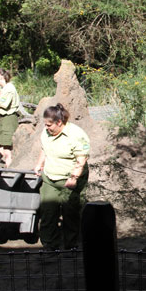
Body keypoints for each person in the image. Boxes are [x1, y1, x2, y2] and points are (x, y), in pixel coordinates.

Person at [34, 104, 90, 250]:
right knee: (47, 213)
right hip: (50, 179)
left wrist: (74, 178)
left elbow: (81, 159)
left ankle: (71, 246)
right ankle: (49, 246)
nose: (47, 128)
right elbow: (44, 149)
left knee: (70, 214)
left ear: (59, 122)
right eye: (45, 125)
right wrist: (39, 164)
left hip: (69, 180)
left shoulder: (76, 134)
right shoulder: (46, 133)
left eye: (49, 125)